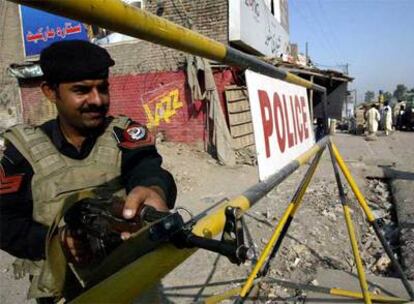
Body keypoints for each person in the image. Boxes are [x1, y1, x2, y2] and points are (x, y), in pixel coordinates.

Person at [0, 40, 176, 302]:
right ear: (50, 92)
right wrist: (56, 242)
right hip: (65, 292)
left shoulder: (122, 134)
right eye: (81, 90)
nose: (97, 100)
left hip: (129, 280)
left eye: (102, 88)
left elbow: (147, 167)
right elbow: (5, 221)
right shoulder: (21, 151)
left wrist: (153, 189)